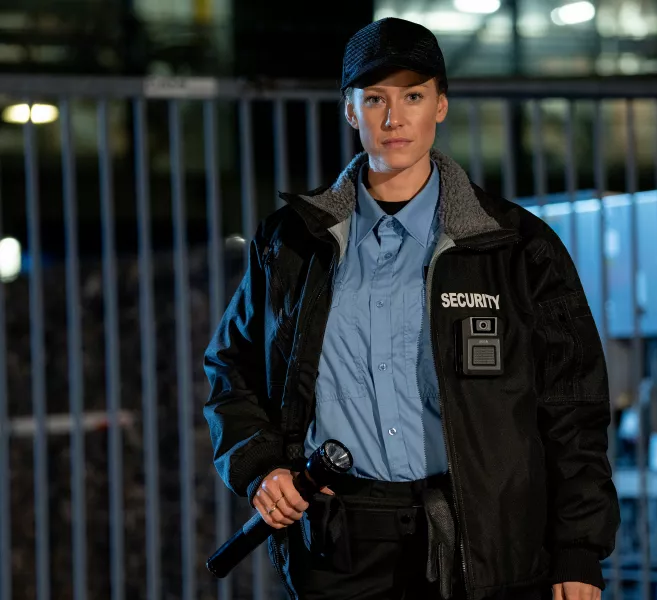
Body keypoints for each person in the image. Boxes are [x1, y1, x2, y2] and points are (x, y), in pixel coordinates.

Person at [204, 17, 620, 600]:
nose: (394, 118)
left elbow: (573, 404)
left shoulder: (514, 245)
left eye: (413, 96)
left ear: (441, 107)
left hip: (487, 545)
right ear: (351, 111)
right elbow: (231, 370)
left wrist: (578, 549)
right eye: (375, 98)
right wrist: (260, 466)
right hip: (340, 550)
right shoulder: (292, 243)